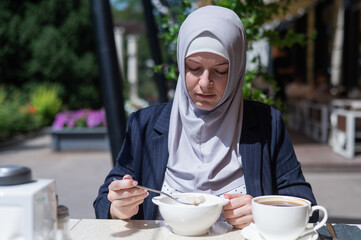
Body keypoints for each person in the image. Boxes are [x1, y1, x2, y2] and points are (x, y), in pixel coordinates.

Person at [94, 5, 317, 229]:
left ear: (238, 68)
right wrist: (118, 206)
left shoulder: (267, 124)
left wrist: (263, 212)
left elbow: (306, 205)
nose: (205, 83)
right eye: (194, 68)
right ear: (181, 64)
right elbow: (105, 199)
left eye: (221, 71)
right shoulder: (145, 124)